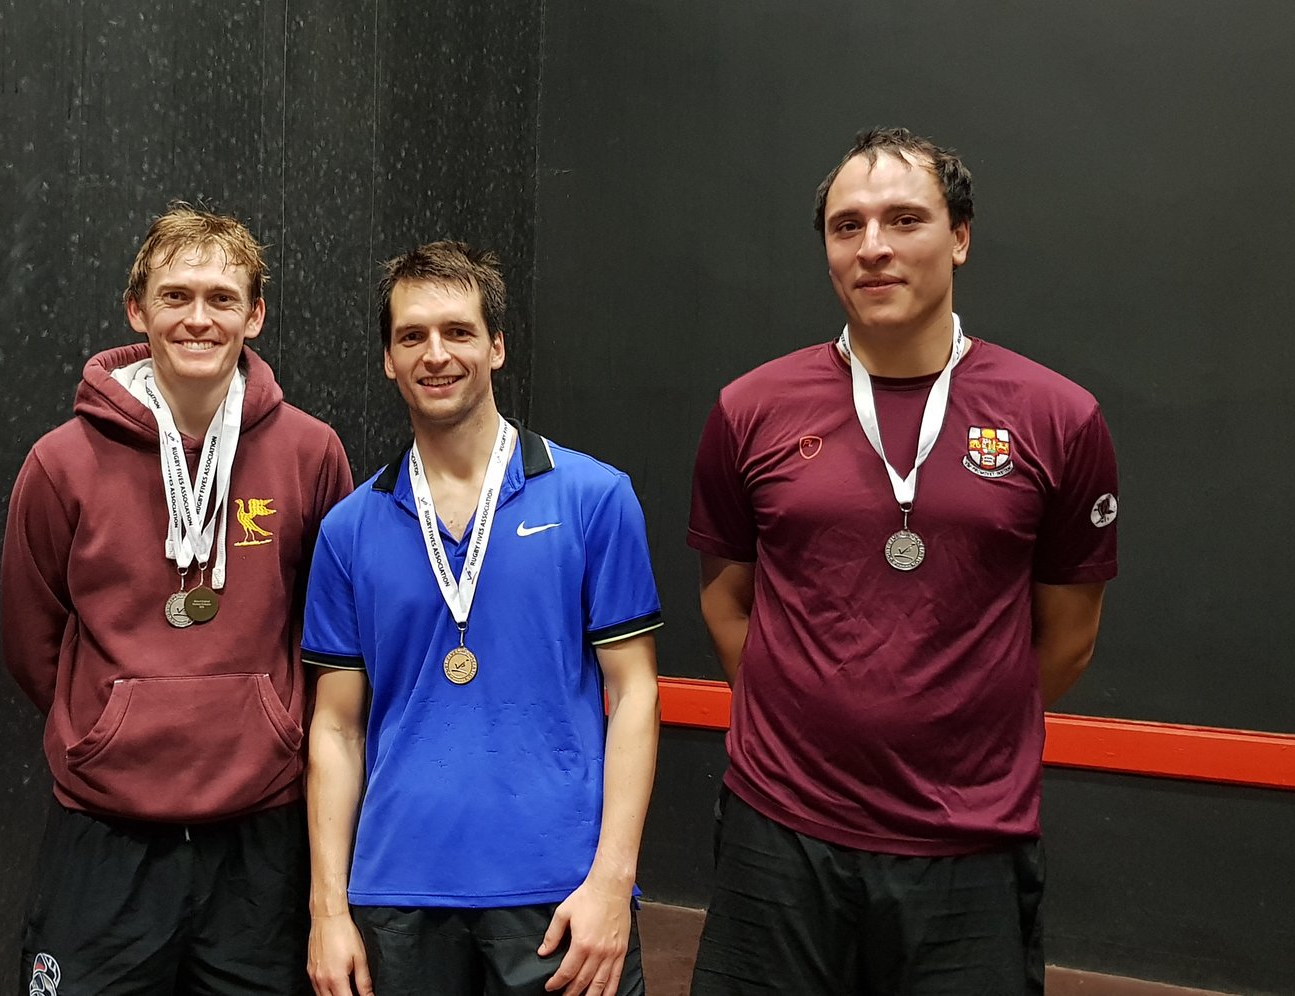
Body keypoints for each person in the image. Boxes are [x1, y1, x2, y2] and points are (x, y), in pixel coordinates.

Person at [687, 128, 1121, 995]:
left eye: (904, 219)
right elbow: (727, 603)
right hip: (779, 831)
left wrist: (958, 731)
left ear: (960, 237)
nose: (873, 247)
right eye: (847, 226)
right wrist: (802, 715)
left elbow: (1069, 637)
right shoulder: (750, 409)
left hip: (968, 842)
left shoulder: (1059, 418)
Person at [1, 202, 353, 995]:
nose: (199, 318)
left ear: (254, 316)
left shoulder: (311, 452)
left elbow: (330, 634)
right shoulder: (61, 461)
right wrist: (107, 727)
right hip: (105, 829)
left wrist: (271, 723)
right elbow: (32, 638)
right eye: (176, 296)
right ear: (137, 309)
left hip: (259, 833)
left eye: (222, 298)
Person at [302, 241, 662, 996]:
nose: (436, 354)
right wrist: (327, 910)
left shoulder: (594, 498)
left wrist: (611, 881)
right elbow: (335, 729)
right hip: (395, 894)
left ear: (496, 346)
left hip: (562, 893)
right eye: (412, 336)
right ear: (388, 360)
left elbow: (635, 694)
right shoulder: (347, 529)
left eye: (458, 332)